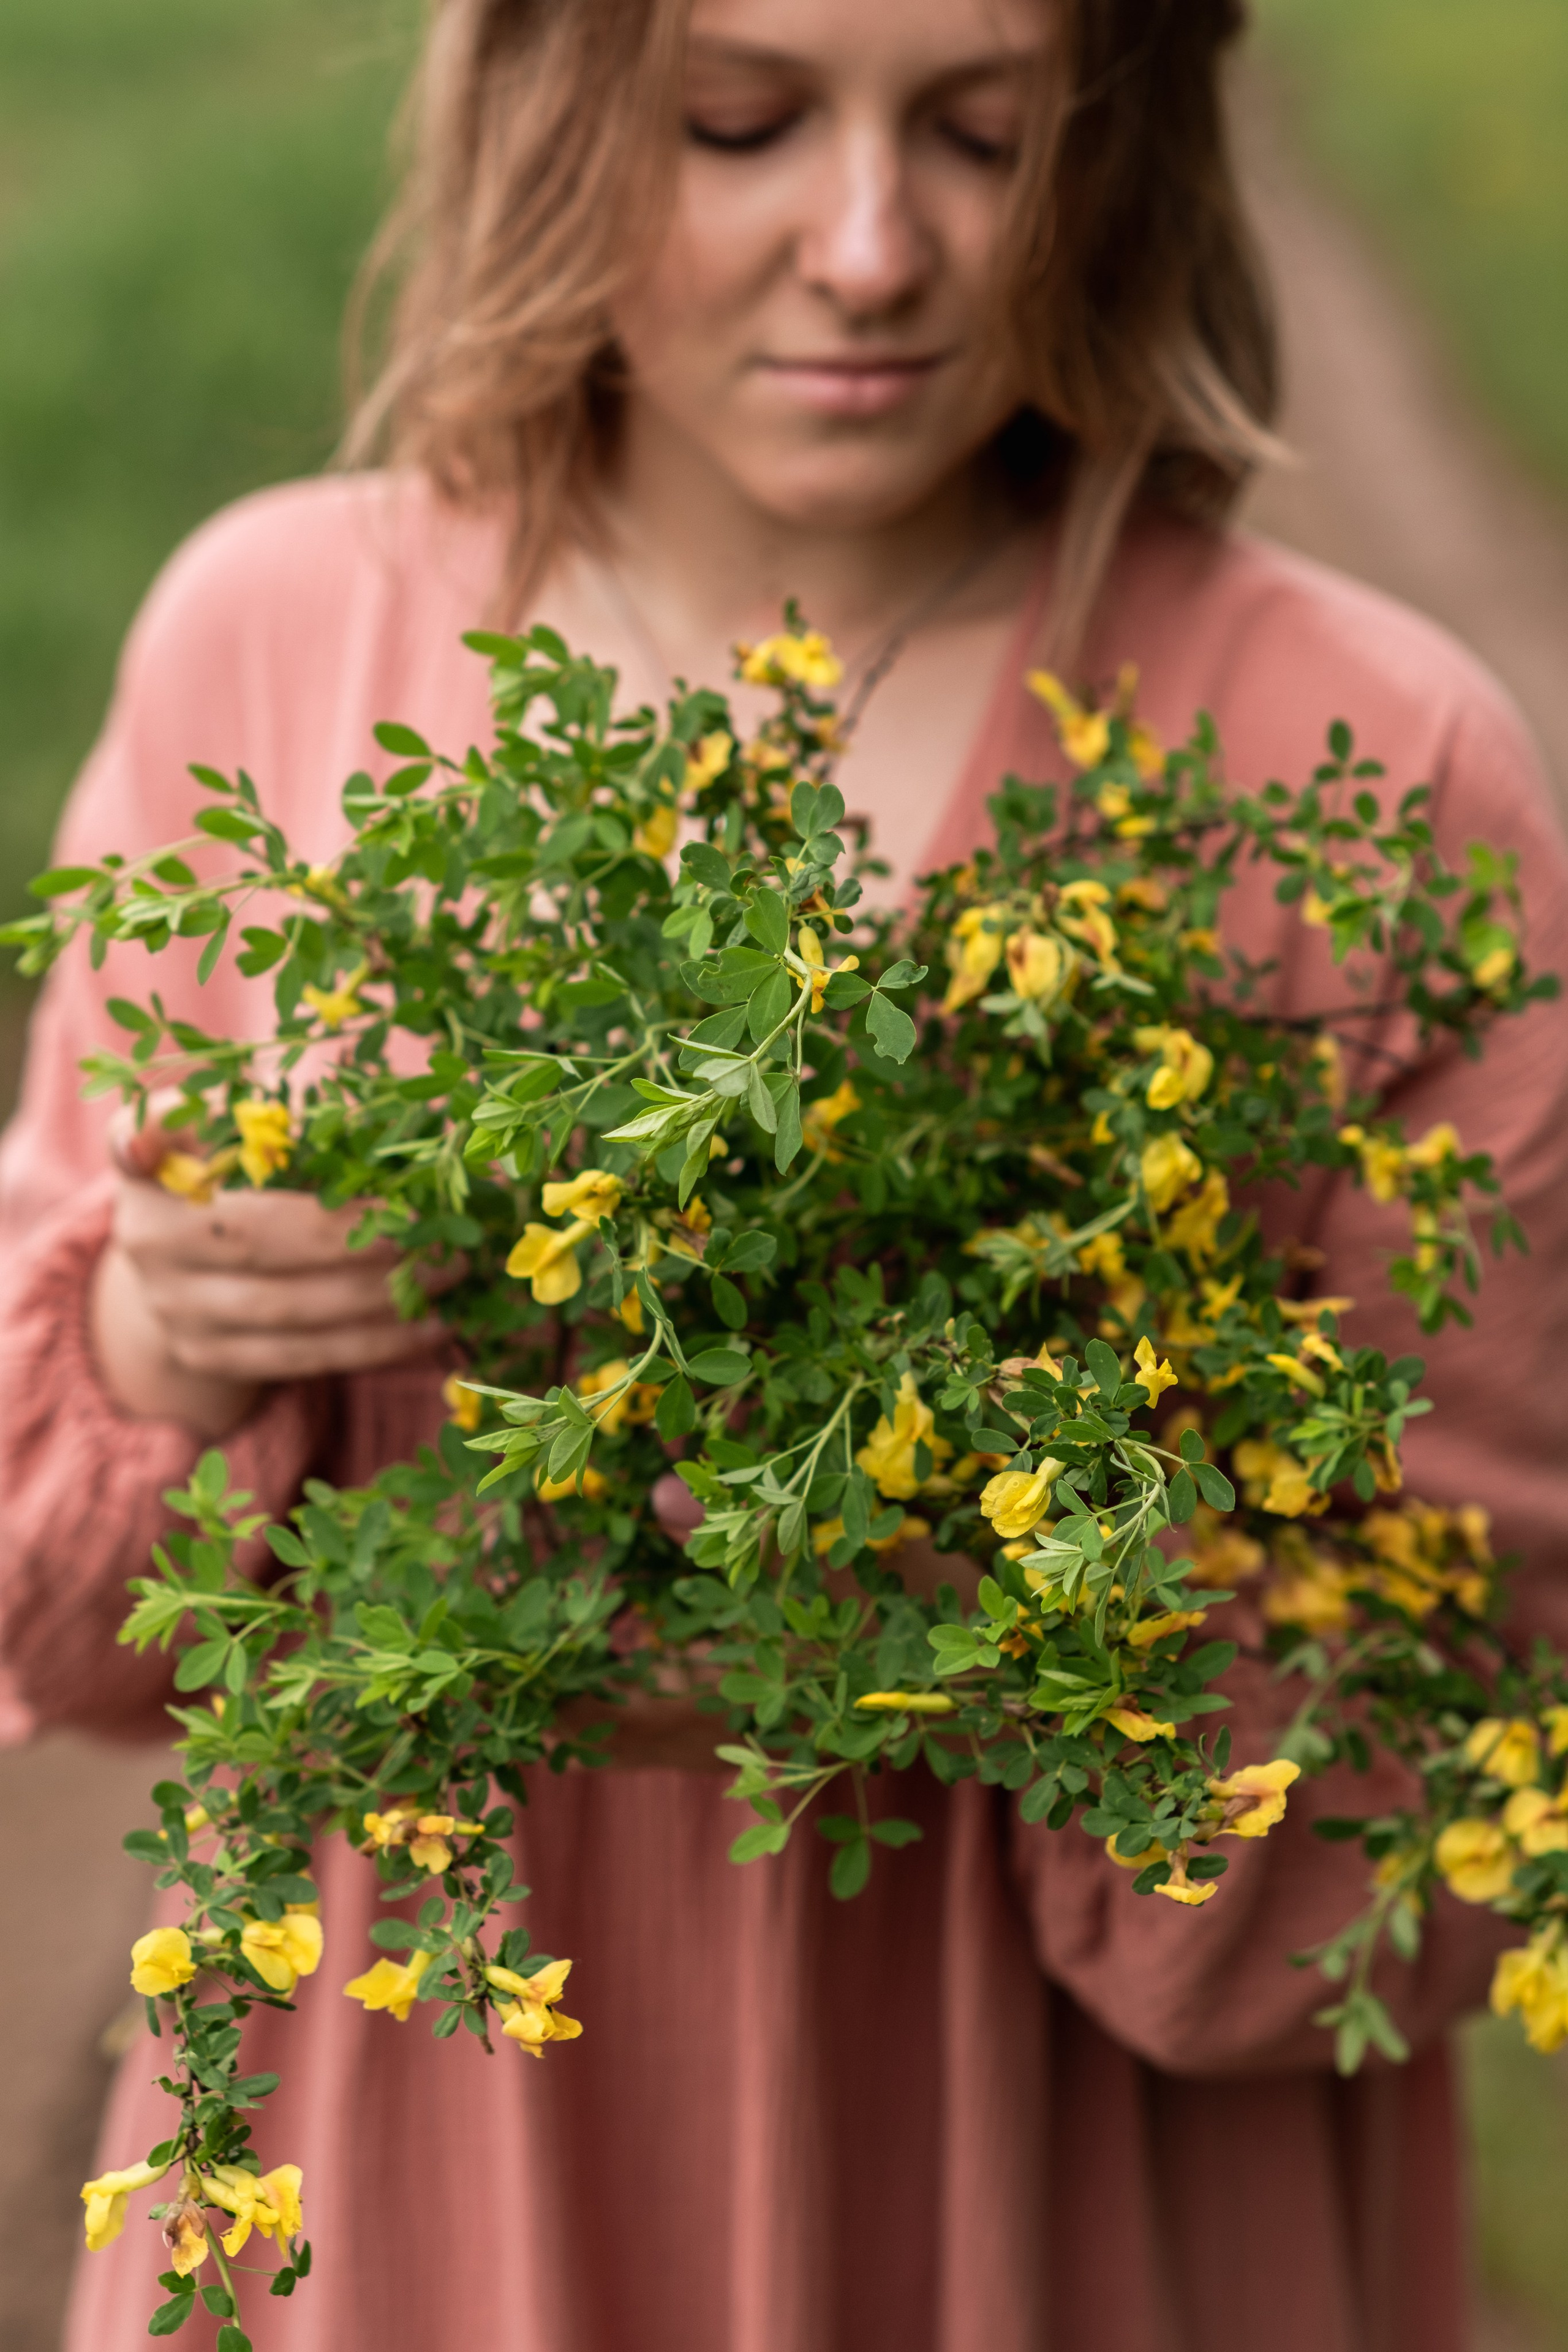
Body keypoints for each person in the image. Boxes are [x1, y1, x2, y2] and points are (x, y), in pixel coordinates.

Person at [3, 1, 1567, 2346]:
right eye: (742, 123)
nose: (870, 246)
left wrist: (998, 1570)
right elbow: (67, 1619)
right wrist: (161, 1334)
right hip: (421, 2179)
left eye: (983, 132)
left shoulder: (1367, 765)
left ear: (1118, 145)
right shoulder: (285, 639)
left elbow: (1481, 1739)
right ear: (552, 113)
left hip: (1070, 2220)